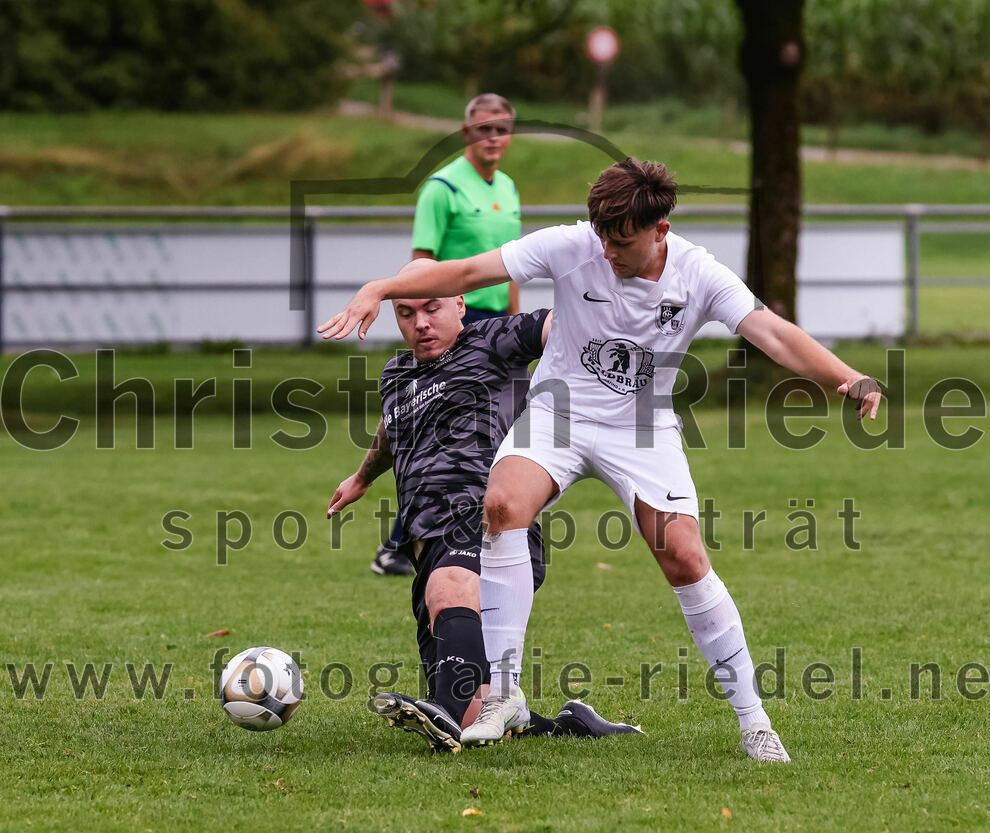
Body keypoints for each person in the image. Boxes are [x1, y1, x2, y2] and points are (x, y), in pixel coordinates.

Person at [319, 158, 883, 763]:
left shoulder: (699, 274)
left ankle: (755, 722)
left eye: (621, 242)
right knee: (501, 505)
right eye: (602, 238)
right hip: (557, 413)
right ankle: (503, 693)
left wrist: (848, 376)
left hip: (641, 429)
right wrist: (380, 287)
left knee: (684, 557)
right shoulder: (573, 245)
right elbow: (466, 270)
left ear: (660, 230)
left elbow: (771, 332)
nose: (607, 252)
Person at [328, 273, 642, 753]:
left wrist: (618, 301)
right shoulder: (396, 374)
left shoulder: (494, 340)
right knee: (475, 711)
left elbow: (565, 324)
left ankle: (443, 711)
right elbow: (392, 431)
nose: (420, 323)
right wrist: (362, 477)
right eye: (406, 313)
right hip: (423, 533)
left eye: (432, 308)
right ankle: (566, 724)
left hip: (489, 515)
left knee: (450, 590)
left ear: (459, 303)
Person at [371, 92, 524, 577]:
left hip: (496, 327)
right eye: (484, 129)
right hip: (457, 320)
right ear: (466, 133)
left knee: (495, 438)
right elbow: (421, 267)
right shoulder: (441, 188)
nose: (493, 137)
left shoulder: (508, 187)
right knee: (443, 439)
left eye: (502, 128)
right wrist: (430, 320)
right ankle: (398, 545)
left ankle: (484, 537)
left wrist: (517, 323)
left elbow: (513, 263)